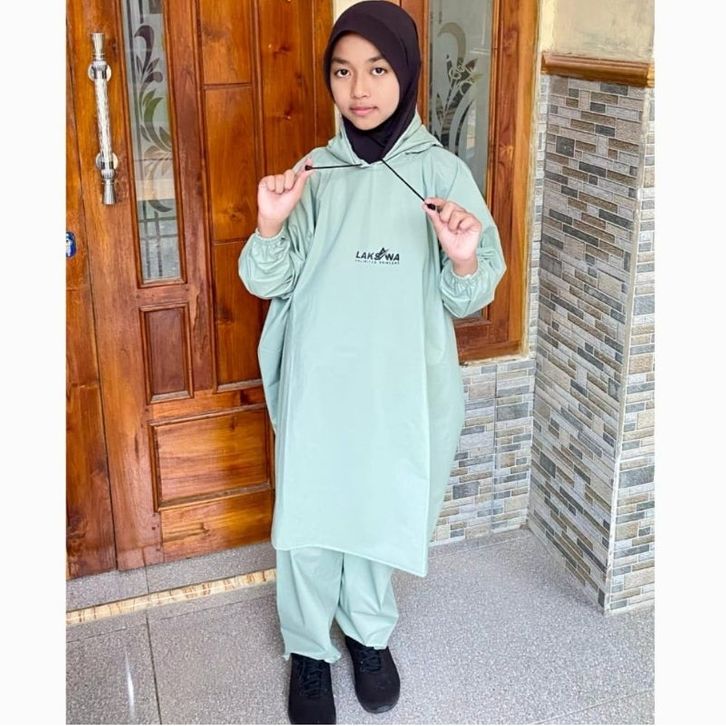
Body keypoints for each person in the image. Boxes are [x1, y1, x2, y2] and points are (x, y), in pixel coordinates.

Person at [238, 2, 506, 723]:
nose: (359, 89)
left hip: (399, 382)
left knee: (382, 506)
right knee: (310, 515)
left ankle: (367, 634)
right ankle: (308, 648)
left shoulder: (441, 172)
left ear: (407, 74)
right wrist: (269, 225)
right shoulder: (314, 173)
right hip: (322, 381)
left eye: (378, 69)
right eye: (343, 71)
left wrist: (464, 256)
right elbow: (267, 279)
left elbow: (470, 294)